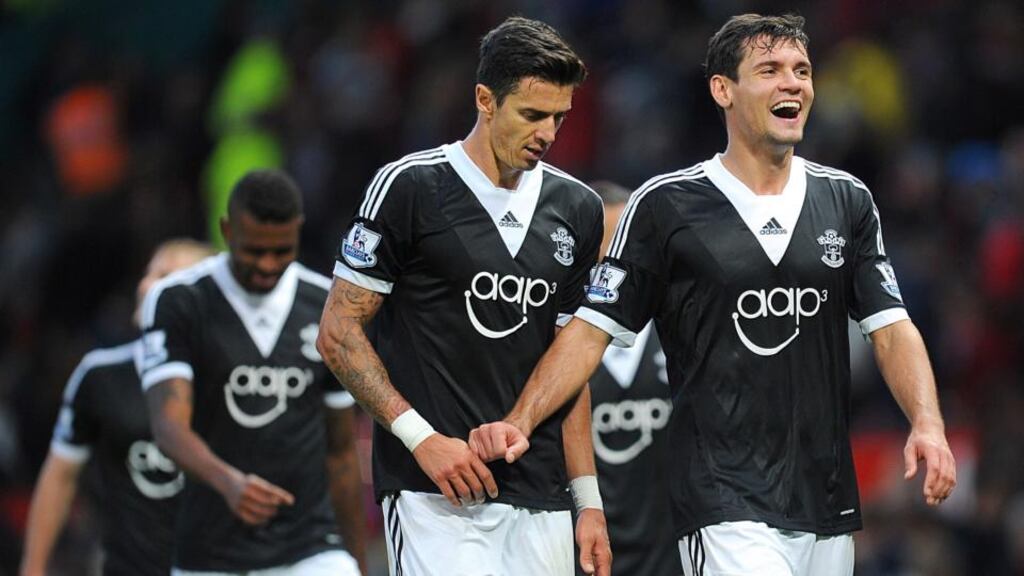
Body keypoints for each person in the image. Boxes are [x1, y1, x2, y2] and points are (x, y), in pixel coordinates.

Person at [470, 13, 957, 576]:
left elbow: (892, 327)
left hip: (825, 500)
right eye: (769, 69)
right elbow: (589, 331)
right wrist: (521, 419)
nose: (791, 83)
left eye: (801, 70)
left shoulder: (846, 200)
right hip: (722, 502)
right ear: (722, 89)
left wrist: (927, 423)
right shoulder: (666, 206)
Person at [316, 16, 611, 576]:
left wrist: (589, 503)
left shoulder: (578, 208)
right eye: (532, 114)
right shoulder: (409, 187)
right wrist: (421, 441)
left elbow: (571, 365)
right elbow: (338, 333)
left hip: (540, 493)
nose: (548, 133)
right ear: (484, 99)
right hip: (434, 494)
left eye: (559, 117)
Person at [139, 170, 366, 575]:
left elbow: (341, 451)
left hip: (311, 548)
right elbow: (168, 426)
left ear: (298, 231)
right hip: (210, 554)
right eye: (254, 251)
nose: (266, 265)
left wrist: (358, 562)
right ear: (227, 230)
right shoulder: (180, 301)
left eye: (281, 251)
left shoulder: (326, 307)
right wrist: (229, 483)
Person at [20, 239, 213, 576]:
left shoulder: (235, 379)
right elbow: (60, 476)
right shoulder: (100, 376)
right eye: (149, 272)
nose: (146, 285)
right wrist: (33, 568)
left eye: (166, 275)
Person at [578, 182, 679, 576]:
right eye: (609, 247)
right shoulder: (559, 352)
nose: (623, 262)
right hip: (587, 557)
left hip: (676, 556)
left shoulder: (681, 337)